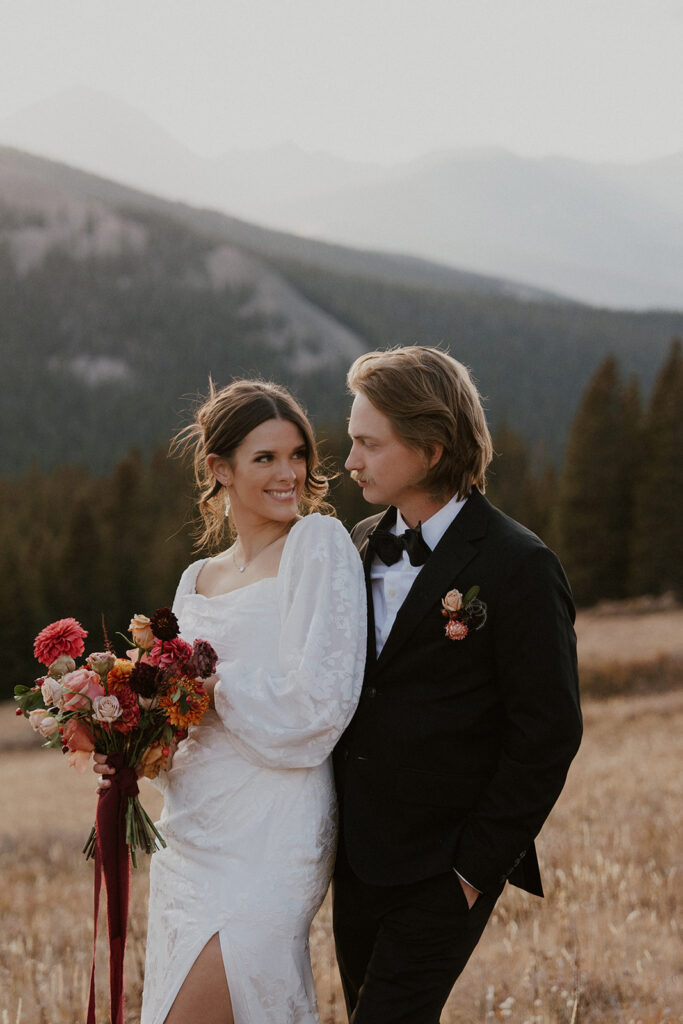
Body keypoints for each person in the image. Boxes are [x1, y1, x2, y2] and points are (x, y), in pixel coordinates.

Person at [96, 379, 366, 1024]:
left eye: (298, 454)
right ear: (219, 469)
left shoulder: (318, 546)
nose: (290, 473)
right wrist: (129, 747)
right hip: (191, 830)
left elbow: (319, 709)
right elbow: (179, 720)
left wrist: (214, 689)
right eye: (265, 458)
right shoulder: (197, 579)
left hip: (272, 827)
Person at [332, 346, 583, 1023]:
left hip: (442, 868)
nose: (349, 461)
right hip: (354, 861)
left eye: (366, 444)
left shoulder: (518, 565)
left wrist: (473, 873)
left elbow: (548, 732)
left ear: (431, 448)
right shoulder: (355, 542)